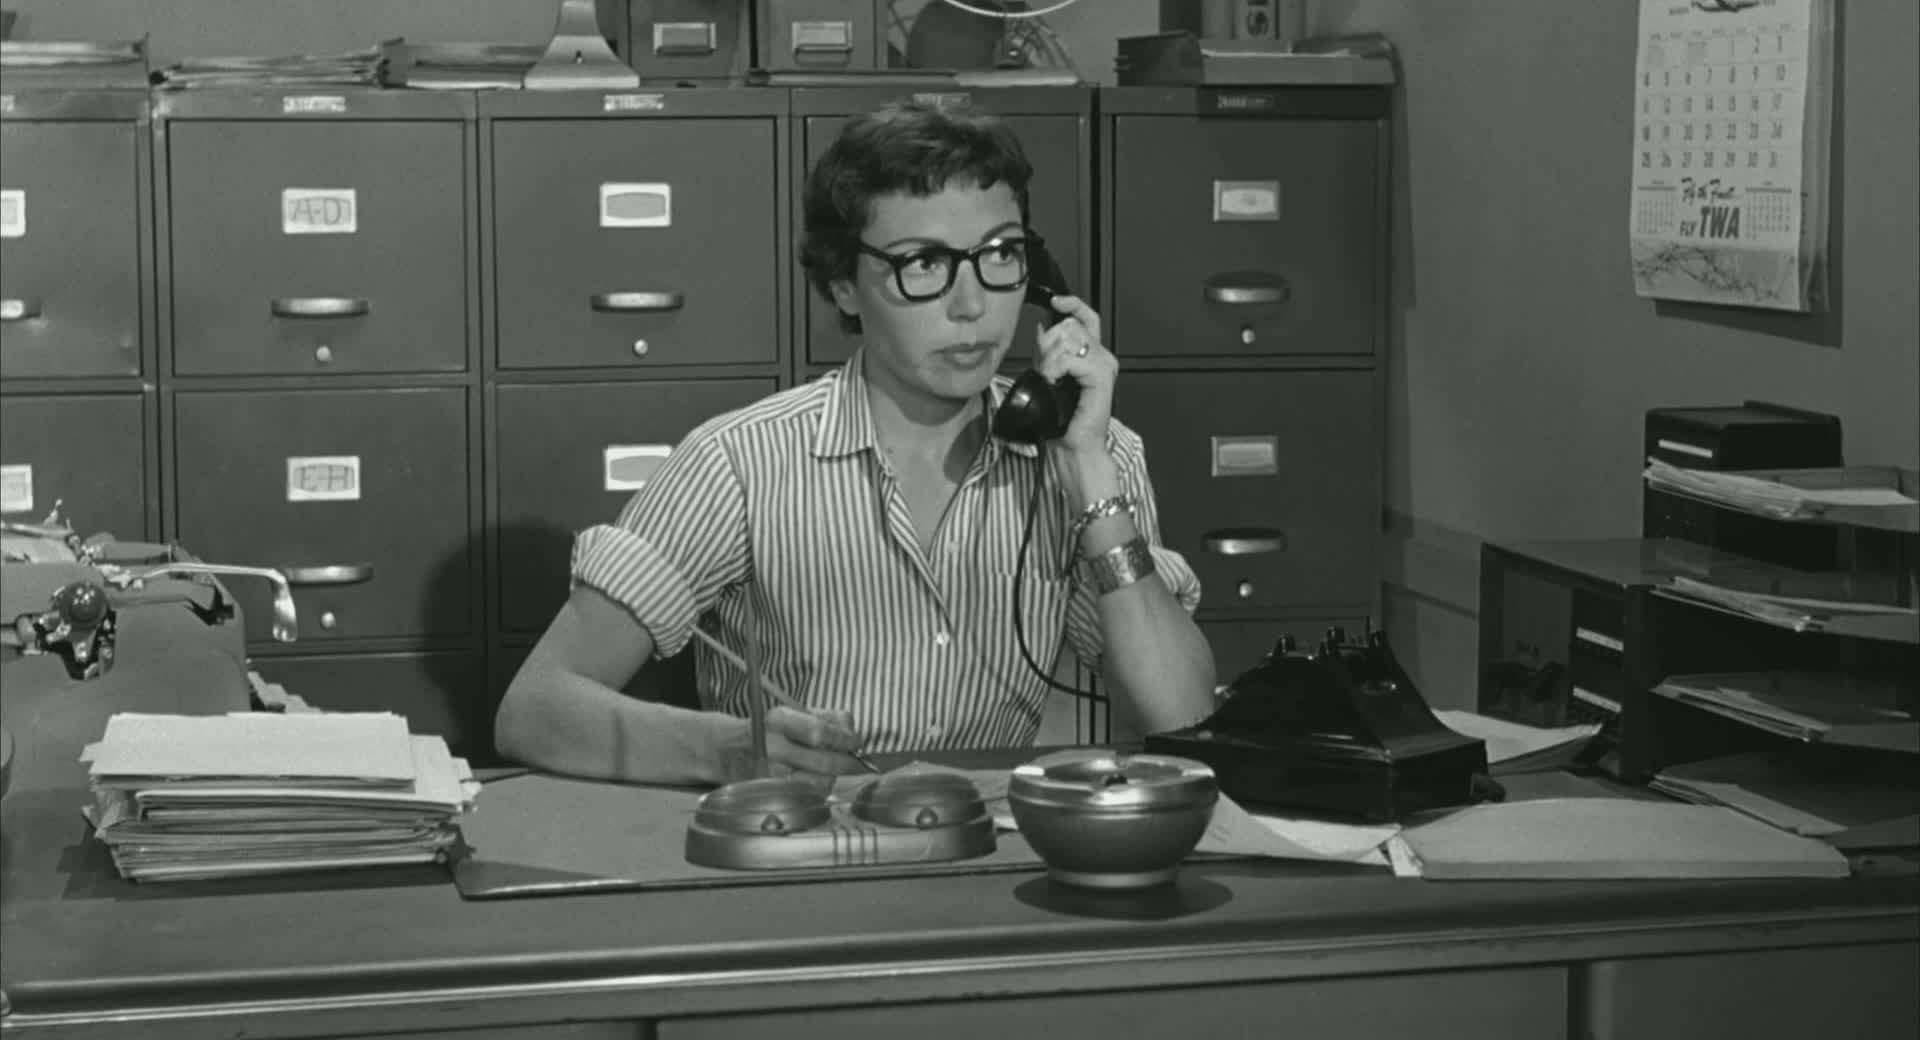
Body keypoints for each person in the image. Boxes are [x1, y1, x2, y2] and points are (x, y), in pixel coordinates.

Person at [495, 100, 1216, 787]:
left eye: (1000, 255)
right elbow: (535, 709)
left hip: (987, 846)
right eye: (923, 263)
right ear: (844, 284)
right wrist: (730, 749)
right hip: (804, 849)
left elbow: (1181, 718)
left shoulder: (1094, 455)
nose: (972, 305)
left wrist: (1090, 474)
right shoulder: (738, 464)